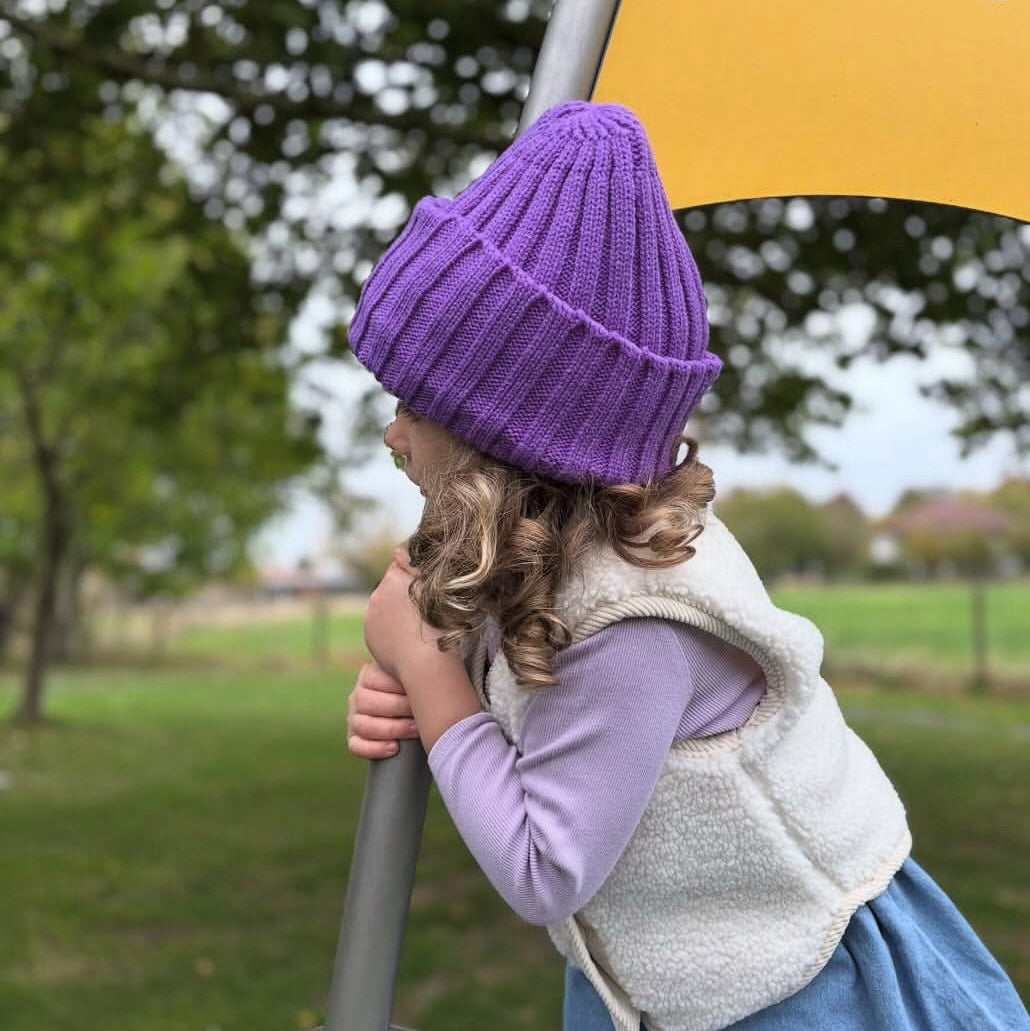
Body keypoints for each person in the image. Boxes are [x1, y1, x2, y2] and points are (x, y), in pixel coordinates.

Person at [344, 100, 1030, 1031]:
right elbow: (518, 712)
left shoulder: (633, 619)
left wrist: (431, 678)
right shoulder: (562, 553)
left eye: (413, 407)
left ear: (500, 441)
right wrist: (436, 682)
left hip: (801, 986)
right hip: (668, 980)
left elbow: (545, 868)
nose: (393, 435)